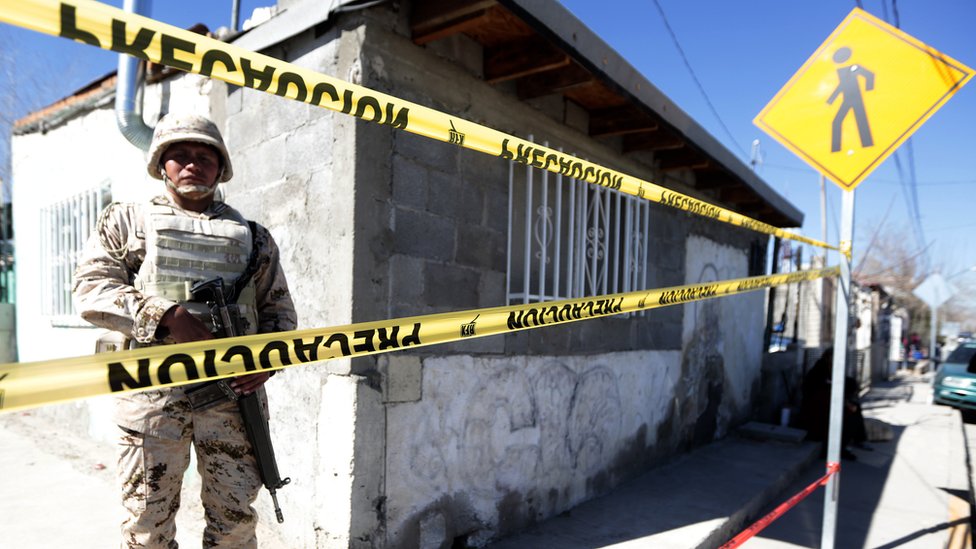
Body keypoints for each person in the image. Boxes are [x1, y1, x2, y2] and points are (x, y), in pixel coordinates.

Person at [73, 113, 297, 548]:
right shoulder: (128, 221)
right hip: (153, 395)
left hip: (234, 398)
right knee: (147, 524)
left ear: (220, 166)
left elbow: (279, 314)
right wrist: (166, 316)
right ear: (161, 164)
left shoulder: (254, 237)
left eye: (204, 156)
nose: (193, 163)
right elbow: (91, 287)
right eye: (180, 155)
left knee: (234, 522)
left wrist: (267, 363)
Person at [798, 348, 868, 460]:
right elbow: (824, 390)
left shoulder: (830, 369)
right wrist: (846, 404)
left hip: (827, 403)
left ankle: (857, 440)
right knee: (847, 416)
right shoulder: (820, 369)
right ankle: (841, 448)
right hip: (817, 407)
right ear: (828, 357)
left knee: (855, 410)